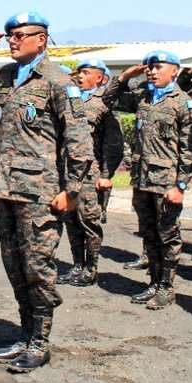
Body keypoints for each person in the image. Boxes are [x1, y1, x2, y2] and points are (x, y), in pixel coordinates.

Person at [0, 11, 94, 373]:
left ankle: (40, 342)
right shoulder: (5, 76)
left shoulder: (57, 81)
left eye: (20, 35)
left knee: (38, 268)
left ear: (42, 39)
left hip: (40, 193)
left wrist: (73, 190)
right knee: (15, 266)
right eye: (9, 36)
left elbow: (78, 140)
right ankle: (24, 334)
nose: (13, 40)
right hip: (6, 188)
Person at [102, 50, 192, 309]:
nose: (152, 71)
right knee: (149, 234)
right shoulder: (144, 97)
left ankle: (167, 287)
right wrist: (123, 77)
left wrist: (180, 186)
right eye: (149, 67)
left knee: (168, 236)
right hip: (142, 179)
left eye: (158, 67)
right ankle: (154, 283)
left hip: (166, 183)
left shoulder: (183, 103)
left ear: (175, 71)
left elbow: (191, 149)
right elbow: (108, 100)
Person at [61, 59, 122, 287]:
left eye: (86, 73)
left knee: (89, 222)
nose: (80, 77)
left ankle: (91, 269)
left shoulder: (103, 104)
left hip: (90, 173)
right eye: (79, 72)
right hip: (69, 172)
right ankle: (77, 265)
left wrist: (106, 175)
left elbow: (113, 144)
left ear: (99, 78)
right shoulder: (70, 101)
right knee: (71, 221)